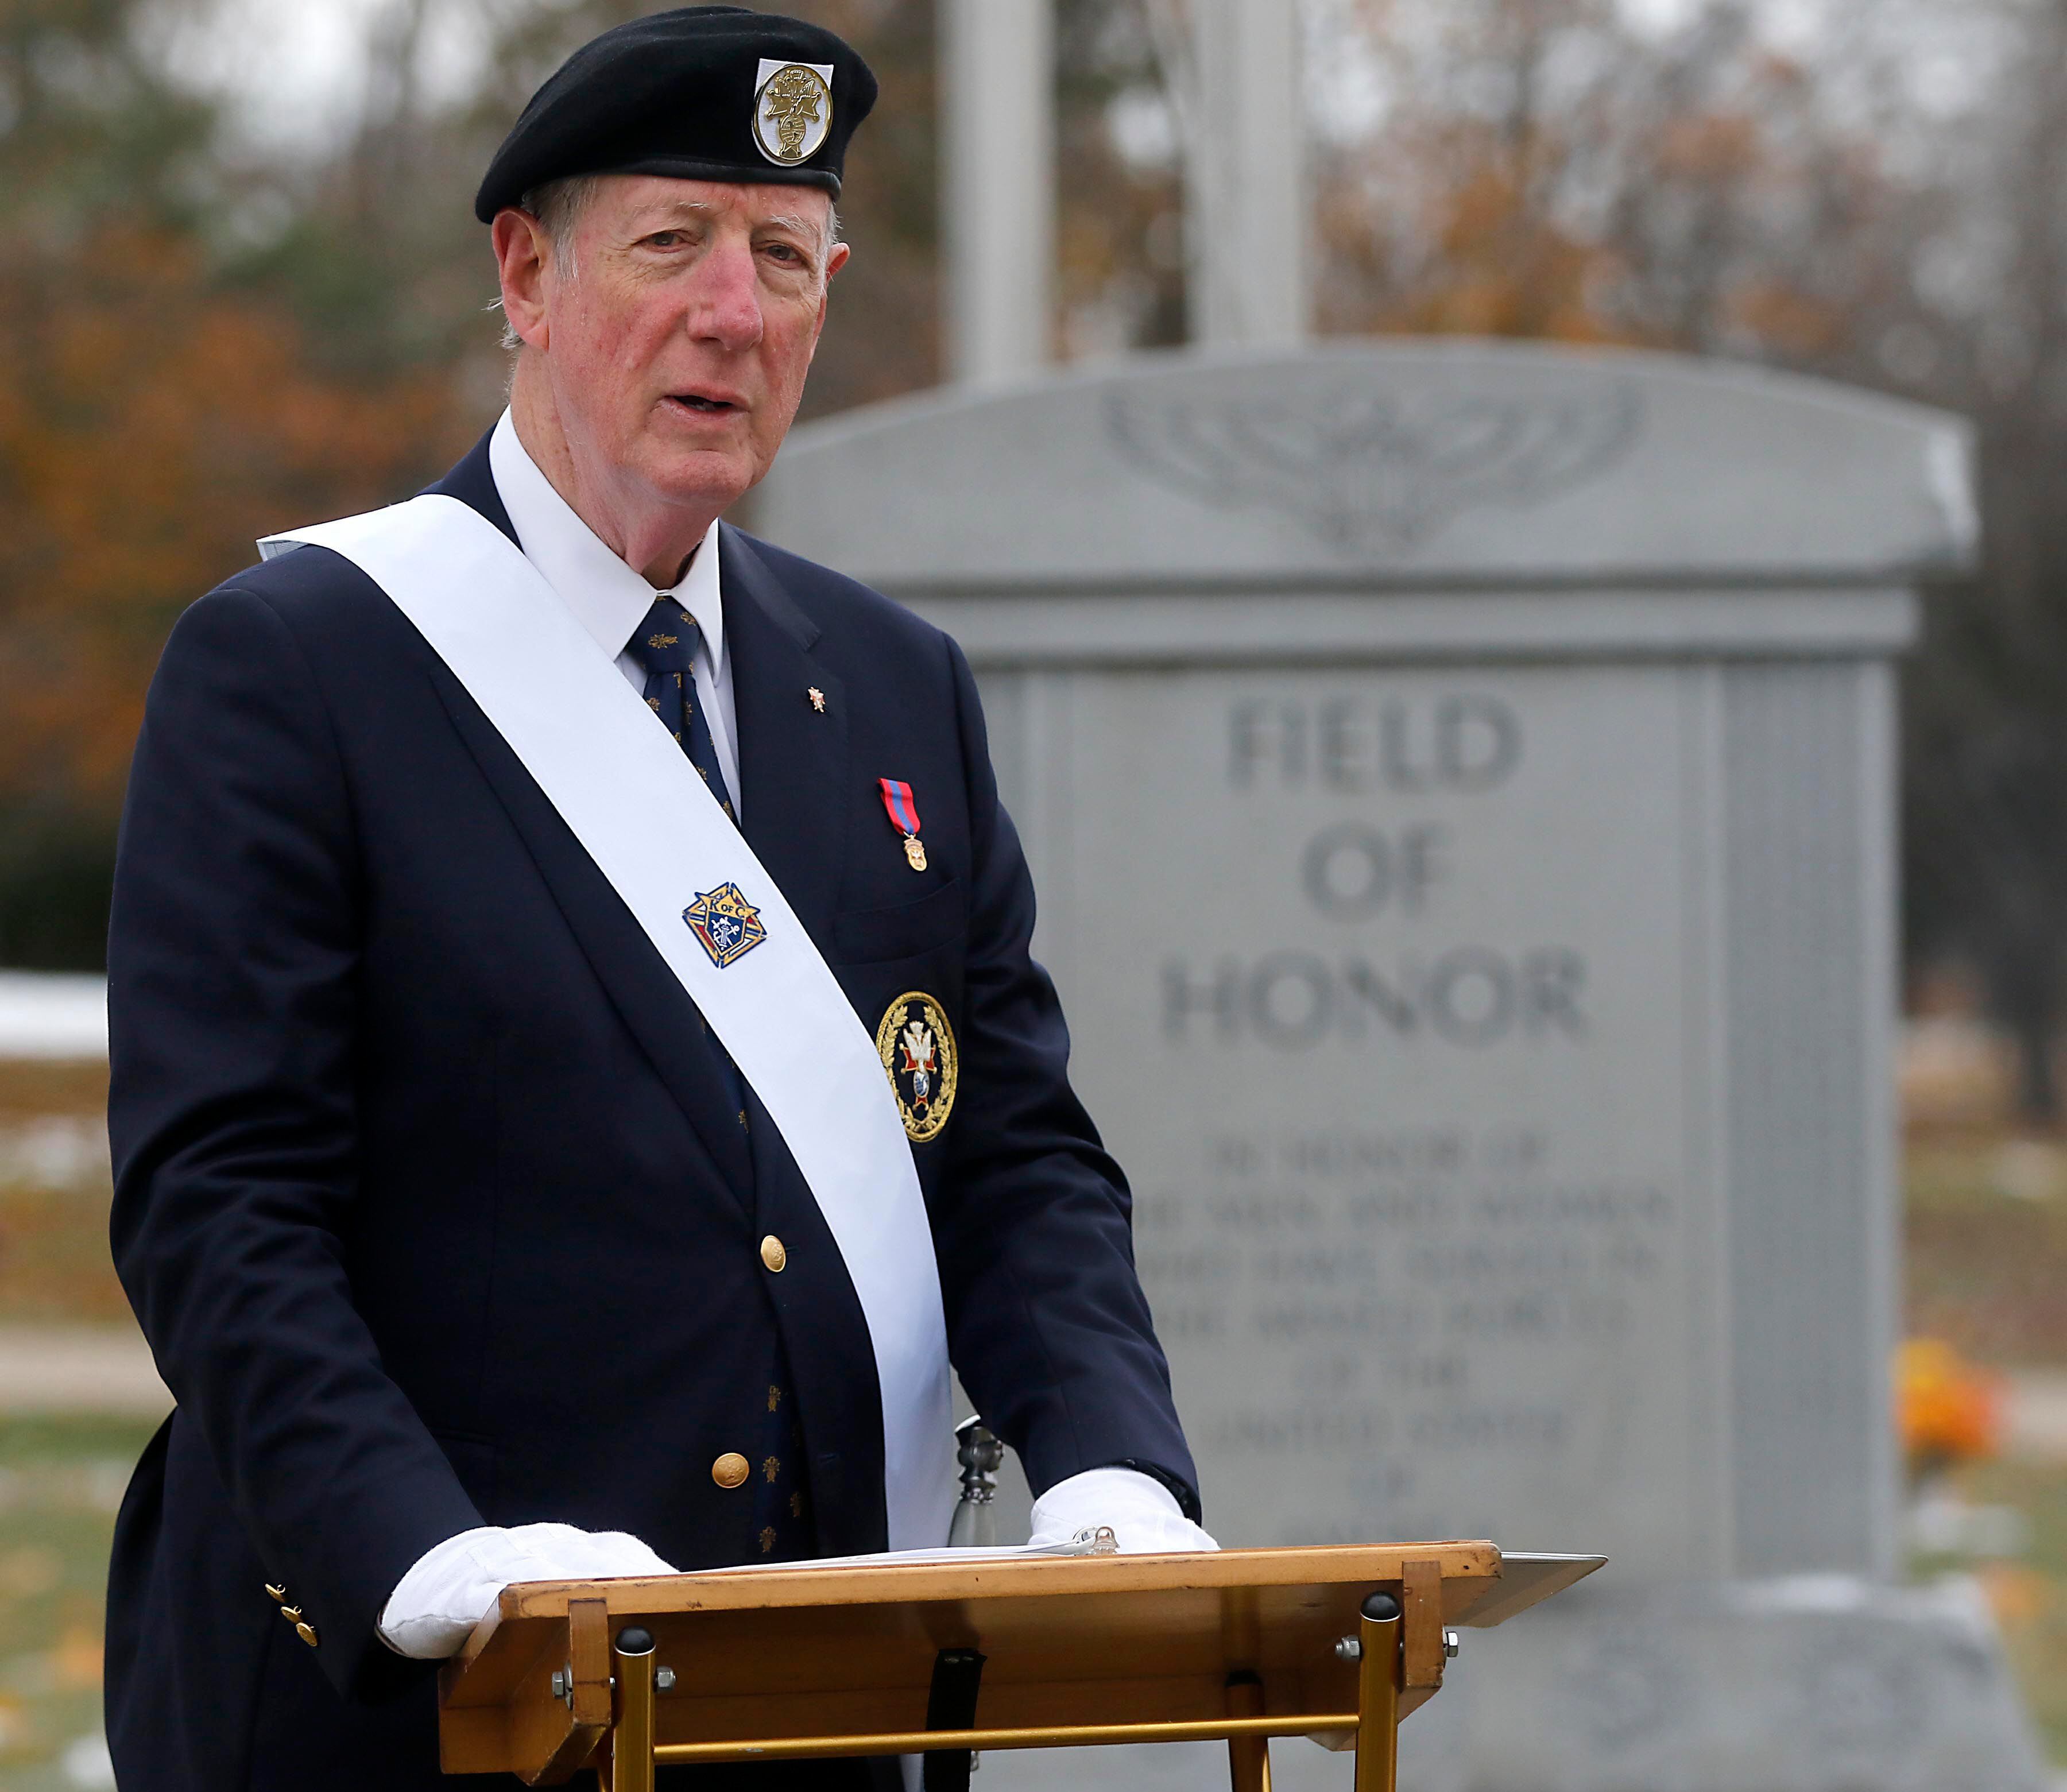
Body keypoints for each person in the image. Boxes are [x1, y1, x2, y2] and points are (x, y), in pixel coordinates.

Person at [102, 9, 1209, 1790]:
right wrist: (428, 1555)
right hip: (413, 1708)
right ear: (526, 275)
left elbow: (1007, 1146)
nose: (734, 314)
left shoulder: (892, 679)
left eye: (784, 256)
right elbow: (216, 1202)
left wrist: (1112, 1469)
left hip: (810, 1709)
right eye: (672, 244)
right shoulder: (300, 666)